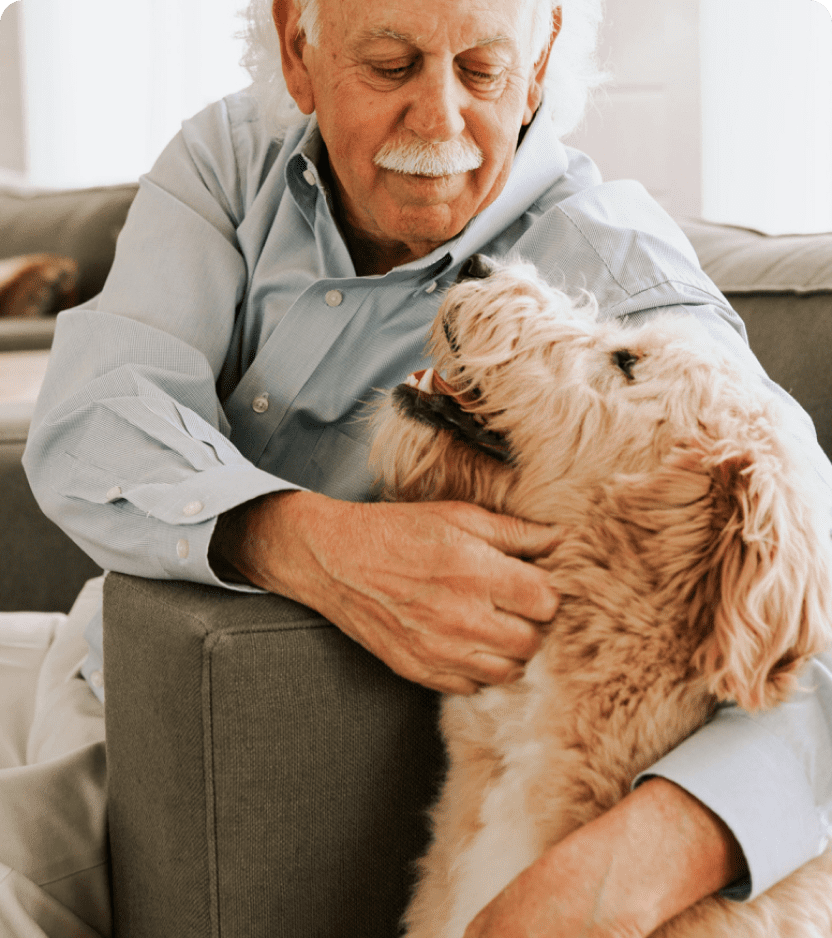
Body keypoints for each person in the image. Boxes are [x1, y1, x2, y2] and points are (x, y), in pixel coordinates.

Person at [6, 0, 831, 934]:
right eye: (392, 65)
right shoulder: (234, 155)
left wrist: (630, 864)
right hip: (78, 652)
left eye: (483, 70)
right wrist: (300, 538)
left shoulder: (617, 283)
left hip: (148, 746)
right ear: (297, 48)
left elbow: (808, 575)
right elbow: (88, 416)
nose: (440, 121)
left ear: (544, 52)